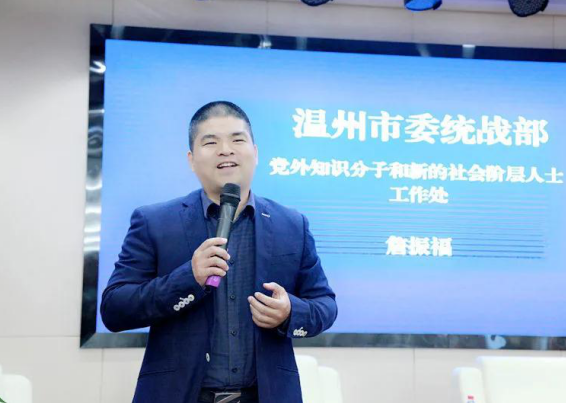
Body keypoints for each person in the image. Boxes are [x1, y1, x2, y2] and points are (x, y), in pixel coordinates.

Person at [100, 101, 337, 403]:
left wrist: (290, 312)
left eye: (237, 139)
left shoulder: (291, 224)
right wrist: (188, 278)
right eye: (211, 142)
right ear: (191, 159)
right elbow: (114, 309)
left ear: (255, 152)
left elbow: (325, 305)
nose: (226, 150)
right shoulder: (154, 222)